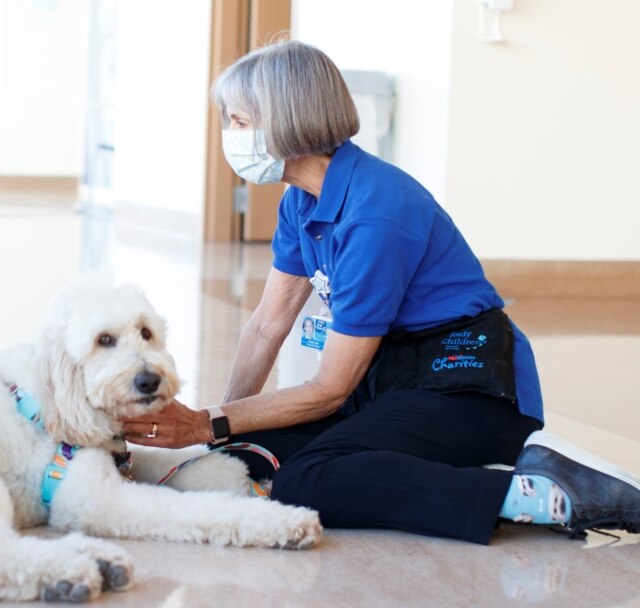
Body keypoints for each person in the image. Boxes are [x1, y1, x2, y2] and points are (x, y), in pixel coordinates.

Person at [122, 41, 640, 544]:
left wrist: (206, 425)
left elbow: (330, 389)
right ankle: (437, 464)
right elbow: (266, 325)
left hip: (469, 390)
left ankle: (545, 492)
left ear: (288, 118)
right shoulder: (302, 201)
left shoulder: (376, 212)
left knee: (310, 481)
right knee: (247, 454)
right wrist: (220, 434)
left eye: (239, 121)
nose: (229, 136)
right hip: (390, 380)